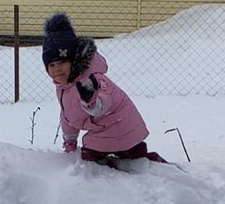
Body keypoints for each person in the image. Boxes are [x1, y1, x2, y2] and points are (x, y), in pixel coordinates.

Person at [42, 12, 166, 166]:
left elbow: (103, 103)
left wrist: (91, 102)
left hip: (118, 124)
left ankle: (113, 176)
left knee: (91, 157)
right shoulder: (64, 87)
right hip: (112, 127)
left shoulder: (91, 79)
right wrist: (70, 140)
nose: (57, 70)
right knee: (132, 154)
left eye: (62, 63)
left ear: (73, 61)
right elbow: (68, 115)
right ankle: (141, 161)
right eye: (51, 65)